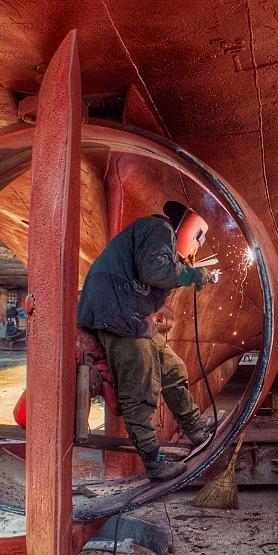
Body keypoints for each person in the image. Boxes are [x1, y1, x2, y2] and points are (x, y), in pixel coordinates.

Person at [77, 200, 221, 480]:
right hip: (117, 313)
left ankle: (195, 429)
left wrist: (186, 273)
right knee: (140, 387)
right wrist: (193, 274)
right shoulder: (159, 229)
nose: (194, 251)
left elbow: (153, 278)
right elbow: (154, 272)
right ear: (188, 230)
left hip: (130, 313)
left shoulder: (156, 237)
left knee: (173, 368)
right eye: (196, 244)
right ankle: (153, 462)